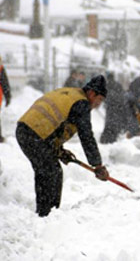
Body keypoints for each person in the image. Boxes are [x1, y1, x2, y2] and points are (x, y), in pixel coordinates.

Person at [16, 75, 110, 217]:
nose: (99, 104)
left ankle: (44, 212)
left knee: (45, 171)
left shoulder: (71, 94)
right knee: (52, 172)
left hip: (26, 130)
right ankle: (49, 215)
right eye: (100, 100)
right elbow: (86, 136)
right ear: (92, 93)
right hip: (34, 133)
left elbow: (55, 126)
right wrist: (97, 164)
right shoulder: (82, 103)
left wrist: (59, 151)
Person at [100, 72, 128, 144]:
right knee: (115, 122)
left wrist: (106, 103)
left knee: (109, 123)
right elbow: (122, 95)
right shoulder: (118, 85)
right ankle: (113, 137)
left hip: (110, 107)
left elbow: (105, 96)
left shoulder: (107, 85)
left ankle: (107, 138)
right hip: (118, 107)